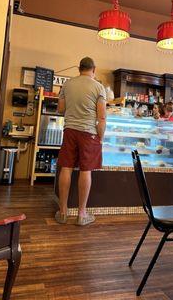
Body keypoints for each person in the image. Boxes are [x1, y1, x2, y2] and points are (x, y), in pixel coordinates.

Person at [55, 57, 107, 226]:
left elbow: (61, 109)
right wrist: (100, 137)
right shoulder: (99, 87)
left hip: (70, 130)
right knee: (86, 170)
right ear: (94, 69)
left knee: (66, 167)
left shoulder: (67, 84)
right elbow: (102, 117)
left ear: (79, 68)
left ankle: (63, 212)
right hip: (88, 133)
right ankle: (81, 215)